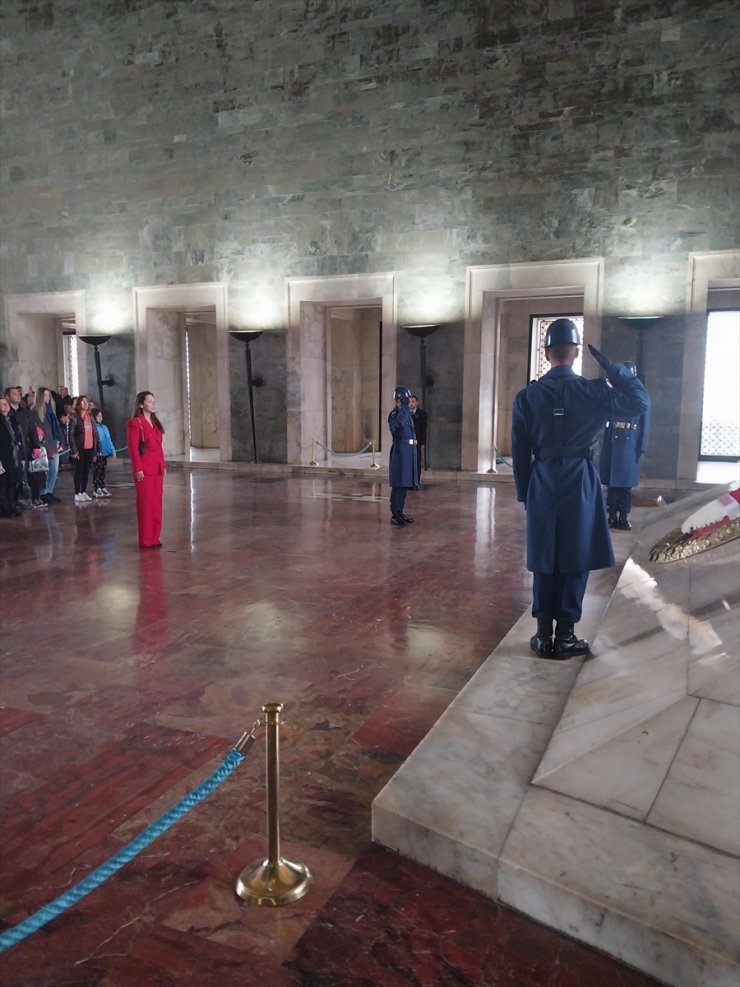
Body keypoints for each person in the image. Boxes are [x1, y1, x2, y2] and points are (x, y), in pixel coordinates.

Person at [511, 319, 650, 660]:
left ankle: (543, 634)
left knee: (545, 555)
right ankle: (566, 636)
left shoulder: (527, 396)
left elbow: (518, 451)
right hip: (579, 478)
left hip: (542, 477)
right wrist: (617, 371)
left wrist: (525, 492)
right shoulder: (595, 391)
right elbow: (639, 403)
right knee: (576, 554)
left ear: (545, 353)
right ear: (575, 352)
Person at [600, 362, 651, 531]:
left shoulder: (640, 395)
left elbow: (646, 423)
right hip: (612, 443)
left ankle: (623, 516)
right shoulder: (613, 394)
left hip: (630, 443)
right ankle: (612, 514)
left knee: (625, 485)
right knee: (612, 484)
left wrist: (641, 447)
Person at [127, 391, 166, 548]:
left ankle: (155, 537)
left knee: (157, 504)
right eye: (149, 401)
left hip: (157, 469)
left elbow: (158, 448)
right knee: (145, 504)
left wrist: (163, 465)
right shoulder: (136, 423)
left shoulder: (155, 424)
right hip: (144, 470)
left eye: (153, 401)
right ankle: (146, 539)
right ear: (141, 404)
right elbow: (133, 448)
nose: (153, 404)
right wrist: (138, 468)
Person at [4, 385, 39, 508]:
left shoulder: (25, 413)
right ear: (7, 397)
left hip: (24, 450)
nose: (18, 395)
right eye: (14, 393)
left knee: (24, 476)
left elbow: (32, 430)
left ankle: (23, 500)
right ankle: (11, 502)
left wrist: (36, 446)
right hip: (9, 452)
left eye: (18, 393)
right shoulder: (6, 415)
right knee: (11, 479)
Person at [387, 386, 417, 526]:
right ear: (400, 399)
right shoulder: (396, 414)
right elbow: (395, 427)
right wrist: (404, 409)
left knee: (405, 484)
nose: (409, 403)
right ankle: (395, 513)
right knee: (398, 484)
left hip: (408, 451)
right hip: (400, 451)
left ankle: (400, 511)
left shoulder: (406, 413)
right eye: (407, 400)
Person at [33, 388, 64, 504]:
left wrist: (61, 440)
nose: (47, 397)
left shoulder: (51, 411)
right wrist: (45, 445)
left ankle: (49, 491)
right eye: (45, 395)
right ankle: (43, 493)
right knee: (44, 471)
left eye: (48, 395)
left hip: (54, 443)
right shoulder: (35, 412)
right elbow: (38, 430)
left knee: (54, 470)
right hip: (45, 445)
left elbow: (55, 427)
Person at [68, 395, 101, 503]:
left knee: (86, 471)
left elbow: (95, 433)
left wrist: (98, 447)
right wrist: (74, 450)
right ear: (78, 404)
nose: (86, 404)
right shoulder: (74, 418)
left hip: (89, 448)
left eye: (87, 401)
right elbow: (70, 435)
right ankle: (77, 493)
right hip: (79, 448)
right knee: (79, 471)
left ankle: (83, 491)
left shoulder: (90, 417)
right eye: (83, 402)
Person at [0, 395, 24, 517]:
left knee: (14, 482)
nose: (6, 405)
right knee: (4, 483)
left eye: (6, 403)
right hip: (3, 455)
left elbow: (19, 437)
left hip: (15, 454)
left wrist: (22, 456)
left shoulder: (12, 420)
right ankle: (4, 508)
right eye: (2, 404)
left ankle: (13, 505)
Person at [92, 409, 116, 498]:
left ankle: (102, 486)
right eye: (98, 416)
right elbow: (94, 442)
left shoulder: (105, 427)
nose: (100, 418)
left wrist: (113, 450)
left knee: (102, 470)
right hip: (98, 453)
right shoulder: (93, 427)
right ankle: (96, 488)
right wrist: (94, 453)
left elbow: (109, 439)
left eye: (101, 416)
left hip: (105, 453)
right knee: (97, 471)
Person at [409, 395, 428, 488]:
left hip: (417, 441)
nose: (411, 404)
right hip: (407, 442)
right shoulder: (406, 414)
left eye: (413, 401)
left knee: (417, 461)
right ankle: (408, 481)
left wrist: (423, 443)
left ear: (417, 403)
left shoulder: (422, 414)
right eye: (410, 402)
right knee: (408, 462)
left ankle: (416, 482)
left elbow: (423, 430)